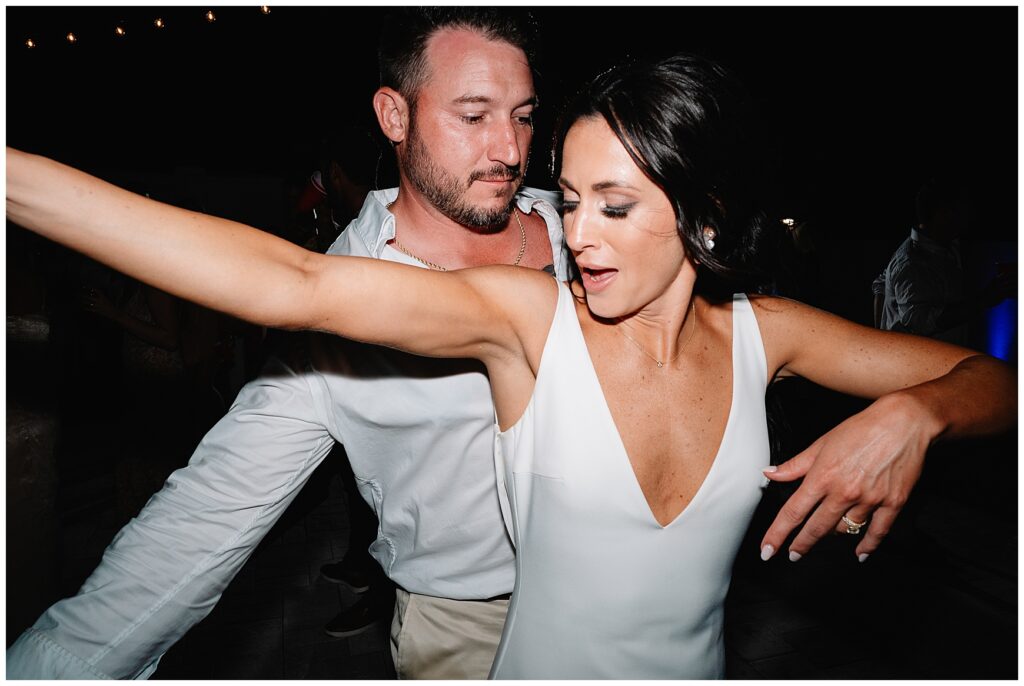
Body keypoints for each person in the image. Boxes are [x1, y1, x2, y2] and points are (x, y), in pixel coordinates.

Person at [7, 51, 1015, 679]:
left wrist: (911, 416)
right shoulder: (528, 324)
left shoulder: (772, 331)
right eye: (571, 199)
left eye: (611, 203)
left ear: (702, 213)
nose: (577, 231)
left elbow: (992, 379)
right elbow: (291, 285)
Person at [7, 9, 564, 680]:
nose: (508, 148)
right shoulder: (334, 323)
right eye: (473, 117)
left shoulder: (585, 224)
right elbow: (200, 521)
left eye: (524, 116)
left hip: (626, 591)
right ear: (394, 116)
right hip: (474, 632)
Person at [872, 178, 1014, 344]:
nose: (968, 216)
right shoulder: (911, 263)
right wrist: (984, 300)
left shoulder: (947, 245)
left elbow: (880, 285)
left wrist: (877, 337)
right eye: (960, 210)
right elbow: (921, 323)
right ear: (943, 214)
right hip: (921, 365)